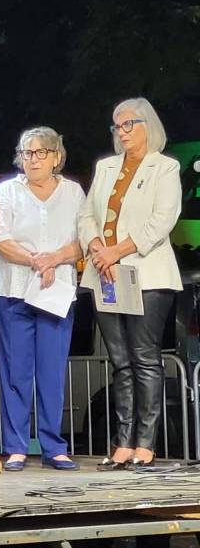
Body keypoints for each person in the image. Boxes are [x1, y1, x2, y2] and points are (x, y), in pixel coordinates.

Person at [79, 97, 183, 469]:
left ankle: (145, 443)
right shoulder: (105, 167)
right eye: (117, 126)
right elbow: (86, 216)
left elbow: (162, 221)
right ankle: (122, 442)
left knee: (144, 358)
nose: (121, 132)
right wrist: (97, 248)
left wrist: (116, 251)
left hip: (147, 274)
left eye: (128, 125)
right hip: (105, 274)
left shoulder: (165, 167)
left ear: (146, 126)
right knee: (119, 361)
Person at [0, 127, 85, 471]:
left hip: (56, 294)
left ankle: (53, 446)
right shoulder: (8, 190)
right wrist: (36, 261)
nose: (33, 159)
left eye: (41, 152)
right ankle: (16, 446)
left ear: (56, 157)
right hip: (15, 291)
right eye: (27, 153)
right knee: (15, 372)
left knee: (51, 371)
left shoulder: (73, 192)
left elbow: (83, 241)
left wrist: (54, 258)